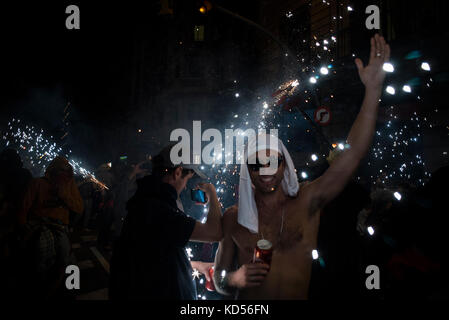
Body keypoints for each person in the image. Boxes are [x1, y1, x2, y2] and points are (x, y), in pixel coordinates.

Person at [213, 34, 390, 299]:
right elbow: (219, 278)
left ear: (285, 166)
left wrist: (373, 92)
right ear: (247, 171)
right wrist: (234, 278)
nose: (265, 168)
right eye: (256, 163)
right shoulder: (232, 218)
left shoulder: (306, 200)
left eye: (273, 160)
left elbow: (351, 156)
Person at [109, 144, 223, 300]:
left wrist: (196, 265)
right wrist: (212, 193)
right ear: (177, 172)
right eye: (187, 179)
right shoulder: (157, 208)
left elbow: (155, 258)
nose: (184, 187)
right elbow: (214, 232)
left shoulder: (147, 199)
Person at [17, 156, 84, 297]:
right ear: (52, 170)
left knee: (67, 261)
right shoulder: (38, 184)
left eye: (66, 171)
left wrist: (64, 196)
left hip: (59, 228)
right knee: (39, 256)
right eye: (60, 170)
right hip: (39, 225)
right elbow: (23, 208)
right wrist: (23, 230)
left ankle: (61, 291)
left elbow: (79, 208)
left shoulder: (69, 187)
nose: (64, 174)